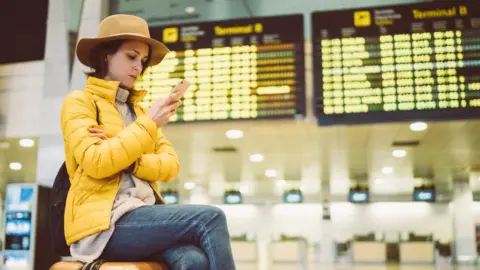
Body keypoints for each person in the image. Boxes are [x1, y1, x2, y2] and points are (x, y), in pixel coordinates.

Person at [60, 14, 236, 270]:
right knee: (210, 218)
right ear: (105, 55)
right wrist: (148, 126)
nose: (138, 67)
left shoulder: (139, 112)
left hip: (143, 218)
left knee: (193, 260)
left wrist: (126, 157)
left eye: (142, 61)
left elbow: (170, 166)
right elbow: (97, 162)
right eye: (131, 57)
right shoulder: (80, 102)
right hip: (103, 224)